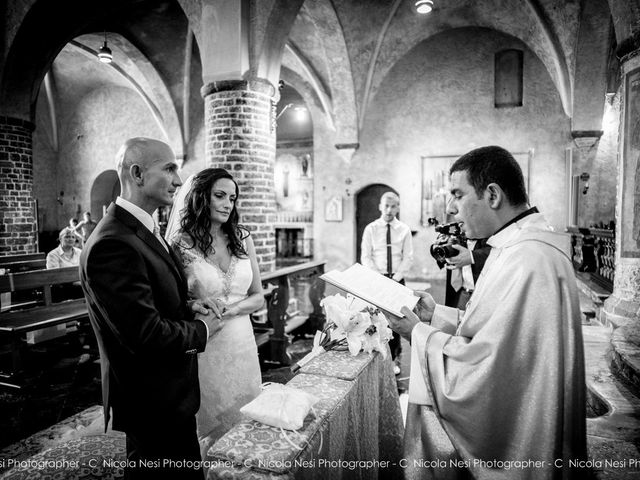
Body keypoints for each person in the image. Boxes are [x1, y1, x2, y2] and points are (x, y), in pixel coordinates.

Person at [389, 146, 586, 479]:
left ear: (492, 195)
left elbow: (489, 372)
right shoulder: (514, 247)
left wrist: (418, 335)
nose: (451, 208)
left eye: (458, 195)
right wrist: (435, 315)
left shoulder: (529, 261)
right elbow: (494, 331)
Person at [79, 137, 222, 480]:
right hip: (153, 400)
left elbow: (150, 301)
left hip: (168, 394)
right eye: (170, 168)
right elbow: (143, 334)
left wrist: (188, 306)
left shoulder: (140, 228)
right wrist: (201, 331)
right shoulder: (113, 243)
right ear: (138, 173)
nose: (178, 179)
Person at [165, 168, 264, 455]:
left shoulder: (242, 237)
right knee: (209, 425)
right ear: (200, 198)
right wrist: (195, 306)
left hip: (242, 342)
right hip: (206, 343)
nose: (226, 204)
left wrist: (230, 309)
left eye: (232, 198)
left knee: (245, 416)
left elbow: (258, 297)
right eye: (219, 196)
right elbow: (173, 303)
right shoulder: (180, 244)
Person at [361, 191, 414, 373]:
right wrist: (379, 277)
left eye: (393, 206)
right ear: (380, 207)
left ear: (398, 207)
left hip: (397, 279)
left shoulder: (404, 230)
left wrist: (395, 278)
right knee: (375, 319)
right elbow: (366, 257)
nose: (389, 210)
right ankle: (375, 359)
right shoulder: (371, 229)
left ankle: (394, 360)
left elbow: (408, 257)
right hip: (377, 279)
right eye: (386, 206)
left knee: (396, 320)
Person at [443, 239, 490, 310]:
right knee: (457, 318)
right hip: (463, 292)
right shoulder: (458, 240)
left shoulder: (487, 241)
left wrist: (472, 256)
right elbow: (441, 262)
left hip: (481, 294)